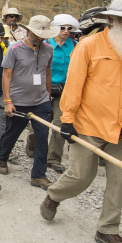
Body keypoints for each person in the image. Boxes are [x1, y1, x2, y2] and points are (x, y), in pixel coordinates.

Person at [38, 0, 122, 243]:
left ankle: (107, 229)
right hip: (89, 124)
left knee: (118, 181)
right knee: (82, 176)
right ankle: (55, 195)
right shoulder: (90, 46)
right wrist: (67, 119)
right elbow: (74, 84)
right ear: (113, 19)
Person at [0, 15, 56, 189]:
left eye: (42, 35)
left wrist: (48, 96)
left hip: (41, 100)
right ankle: (2, 157)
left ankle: (38, 175)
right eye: (36, 34)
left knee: (42, 136)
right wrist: (7, 101)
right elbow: (6, 75)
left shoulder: (48, 50)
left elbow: (47, 73)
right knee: (12, 132)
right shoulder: (14, 49)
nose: (39, 38)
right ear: (28, 31)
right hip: (19, 100)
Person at [38, 14, 80, 172]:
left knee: (60, 122)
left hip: (65, 89)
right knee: (41, 121)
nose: (66, 31)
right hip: (45, 87)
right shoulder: (46, 44)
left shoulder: (75, 45)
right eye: (63, 28)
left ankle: (54, 158)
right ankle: (33, 147)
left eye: (69, 28)